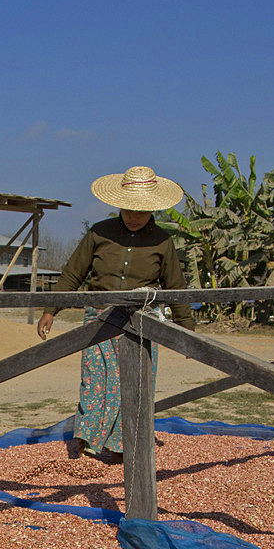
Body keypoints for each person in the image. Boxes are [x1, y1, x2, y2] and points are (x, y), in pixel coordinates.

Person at [37, 165, 194, 458]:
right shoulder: (99, 233)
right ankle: (88, 443)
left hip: (142, 322)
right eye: (128, 210)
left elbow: (175, 285)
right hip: (99, 318)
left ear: (152, 210)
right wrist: (51, 310)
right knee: (95, 380)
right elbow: (73, 273)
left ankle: (124, 447)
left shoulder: (161, 241)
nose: (134, 217)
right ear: (118, 206)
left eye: (141, 211)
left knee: (134, 384)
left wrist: (186, 332)